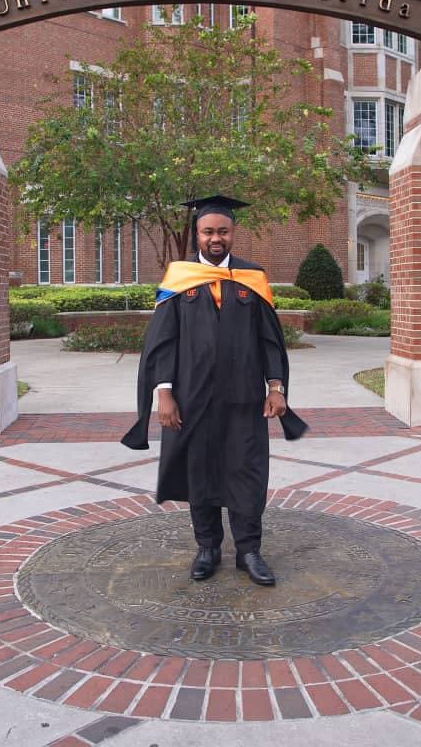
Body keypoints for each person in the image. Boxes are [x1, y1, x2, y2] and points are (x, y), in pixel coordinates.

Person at [122, 195, 307, 586]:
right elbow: (163, 342)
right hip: (192, 398)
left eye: (223, 231)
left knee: (247, 472)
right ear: (198, 235)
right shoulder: (180, 278)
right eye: (208, 232)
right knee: (199, 471)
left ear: (233, 233)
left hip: (244, 400)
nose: (215, 238)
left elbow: (269, 341)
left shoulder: (251, 278)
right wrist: (164, 392)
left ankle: (248, 551)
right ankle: (207, 548)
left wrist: (276, 387)